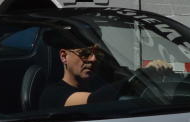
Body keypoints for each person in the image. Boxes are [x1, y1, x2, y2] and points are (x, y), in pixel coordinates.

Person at [38, 39, 173, 111]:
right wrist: (144, 75)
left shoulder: (101, 82)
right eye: (85, 54)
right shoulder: (53, 94)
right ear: (64, 56)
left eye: (97, 55)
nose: (93, 59)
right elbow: (95, 101)